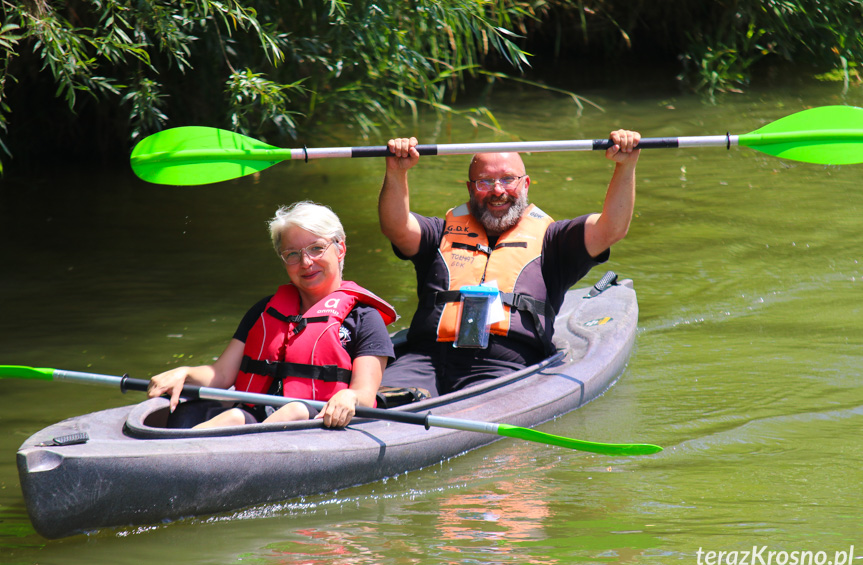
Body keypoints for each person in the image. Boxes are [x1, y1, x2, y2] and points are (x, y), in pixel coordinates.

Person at [378, 130, 641, 396]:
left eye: (508, 179)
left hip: (503, 365)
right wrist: (396, 171)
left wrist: (625, 165)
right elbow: (396, 226)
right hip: (424, 359)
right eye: (485, 181)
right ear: (470, 188)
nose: (498, 191)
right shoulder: (440, 232)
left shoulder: (554, 241)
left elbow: (611, 229)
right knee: (379, 401)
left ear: (526, 184)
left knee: (475, 407)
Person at [147, 201, 397, 429]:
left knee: (295, 410)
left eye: (316, 249)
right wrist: (185, 373)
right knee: (235, 416)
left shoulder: (365, 318)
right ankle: (178, 450)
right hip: (257, 417)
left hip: (316, 422)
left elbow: (364, 393)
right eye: (292, 254)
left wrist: (350, 396)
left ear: (340, 248)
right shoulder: (264, 310)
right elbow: (221, 375)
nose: (306, 262)